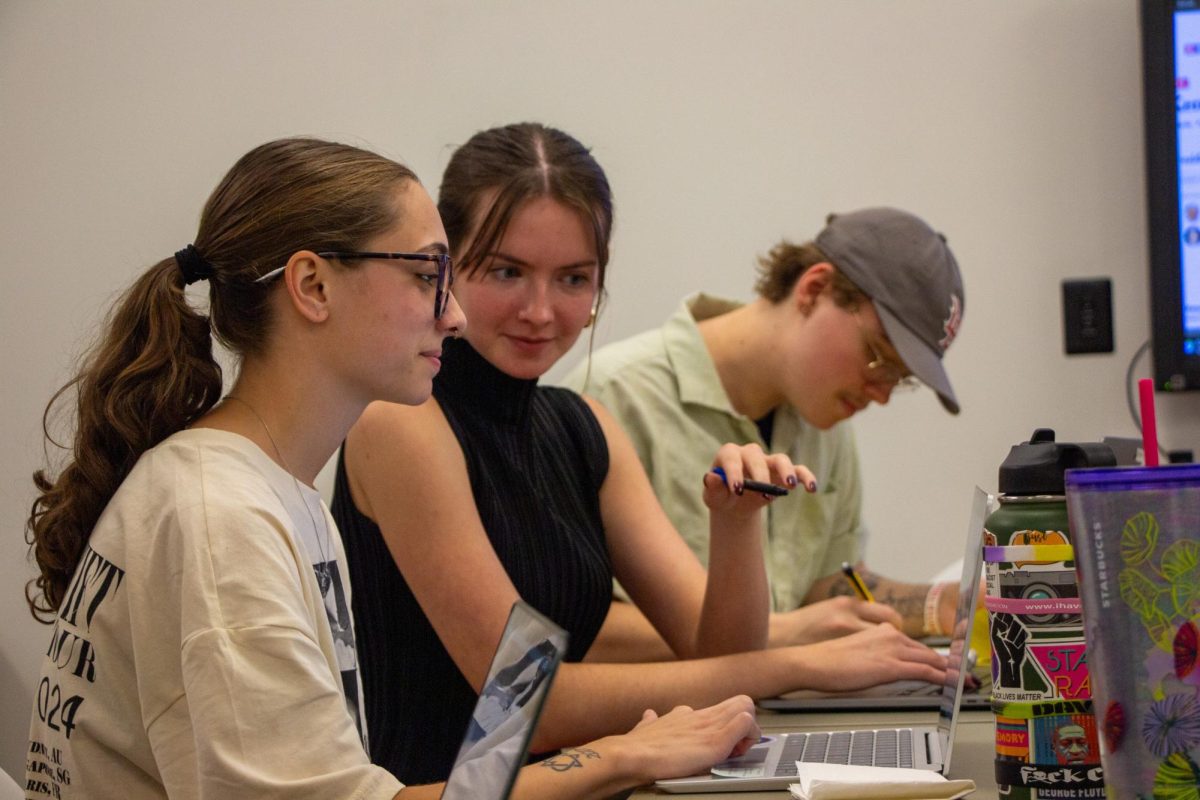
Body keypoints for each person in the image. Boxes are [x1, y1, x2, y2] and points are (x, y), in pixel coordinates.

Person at [22, 136, 764, 800]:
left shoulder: (271, 493)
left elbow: (492, 730)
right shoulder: (225, 516)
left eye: (575, 279)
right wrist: (615, 758)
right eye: (426, 275)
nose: (456, 315)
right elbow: (524, 709)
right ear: (312, 287)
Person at [332, 122, 947, 784]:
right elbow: (526, 702)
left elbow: (715, 656)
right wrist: (799, 662)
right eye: (508, 271)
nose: (541, 311)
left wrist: (738, 521)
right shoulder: (403, 422)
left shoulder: (583, 424)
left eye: (573, 278)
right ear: (445, 264)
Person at [561, 206, 968, 661]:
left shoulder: (825, 422)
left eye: (900, 379)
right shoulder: (611, 396)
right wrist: (780, 635)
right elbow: (570, 631)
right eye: (878, 359)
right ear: (814, 289)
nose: (882, 394)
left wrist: (946, 603)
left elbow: (824, 584)